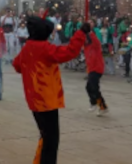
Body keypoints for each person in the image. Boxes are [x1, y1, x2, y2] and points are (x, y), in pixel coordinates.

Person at [12, 16, 87, 164]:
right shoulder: (44, 48)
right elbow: (70, 52)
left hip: (33, 99)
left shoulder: (28, 47)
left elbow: (17, 65)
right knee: (51, 141)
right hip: (46, 100)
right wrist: (80, 34)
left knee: (45, 136)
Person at [85, 20, 108, 116]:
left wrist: (90, 32)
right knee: (89, 87)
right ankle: (94, 103)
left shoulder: (95, 45)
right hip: (91, 68)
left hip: (97, 68)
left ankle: (102, 106)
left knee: (94, 88)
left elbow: (96, 41)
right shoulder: (86, 47)